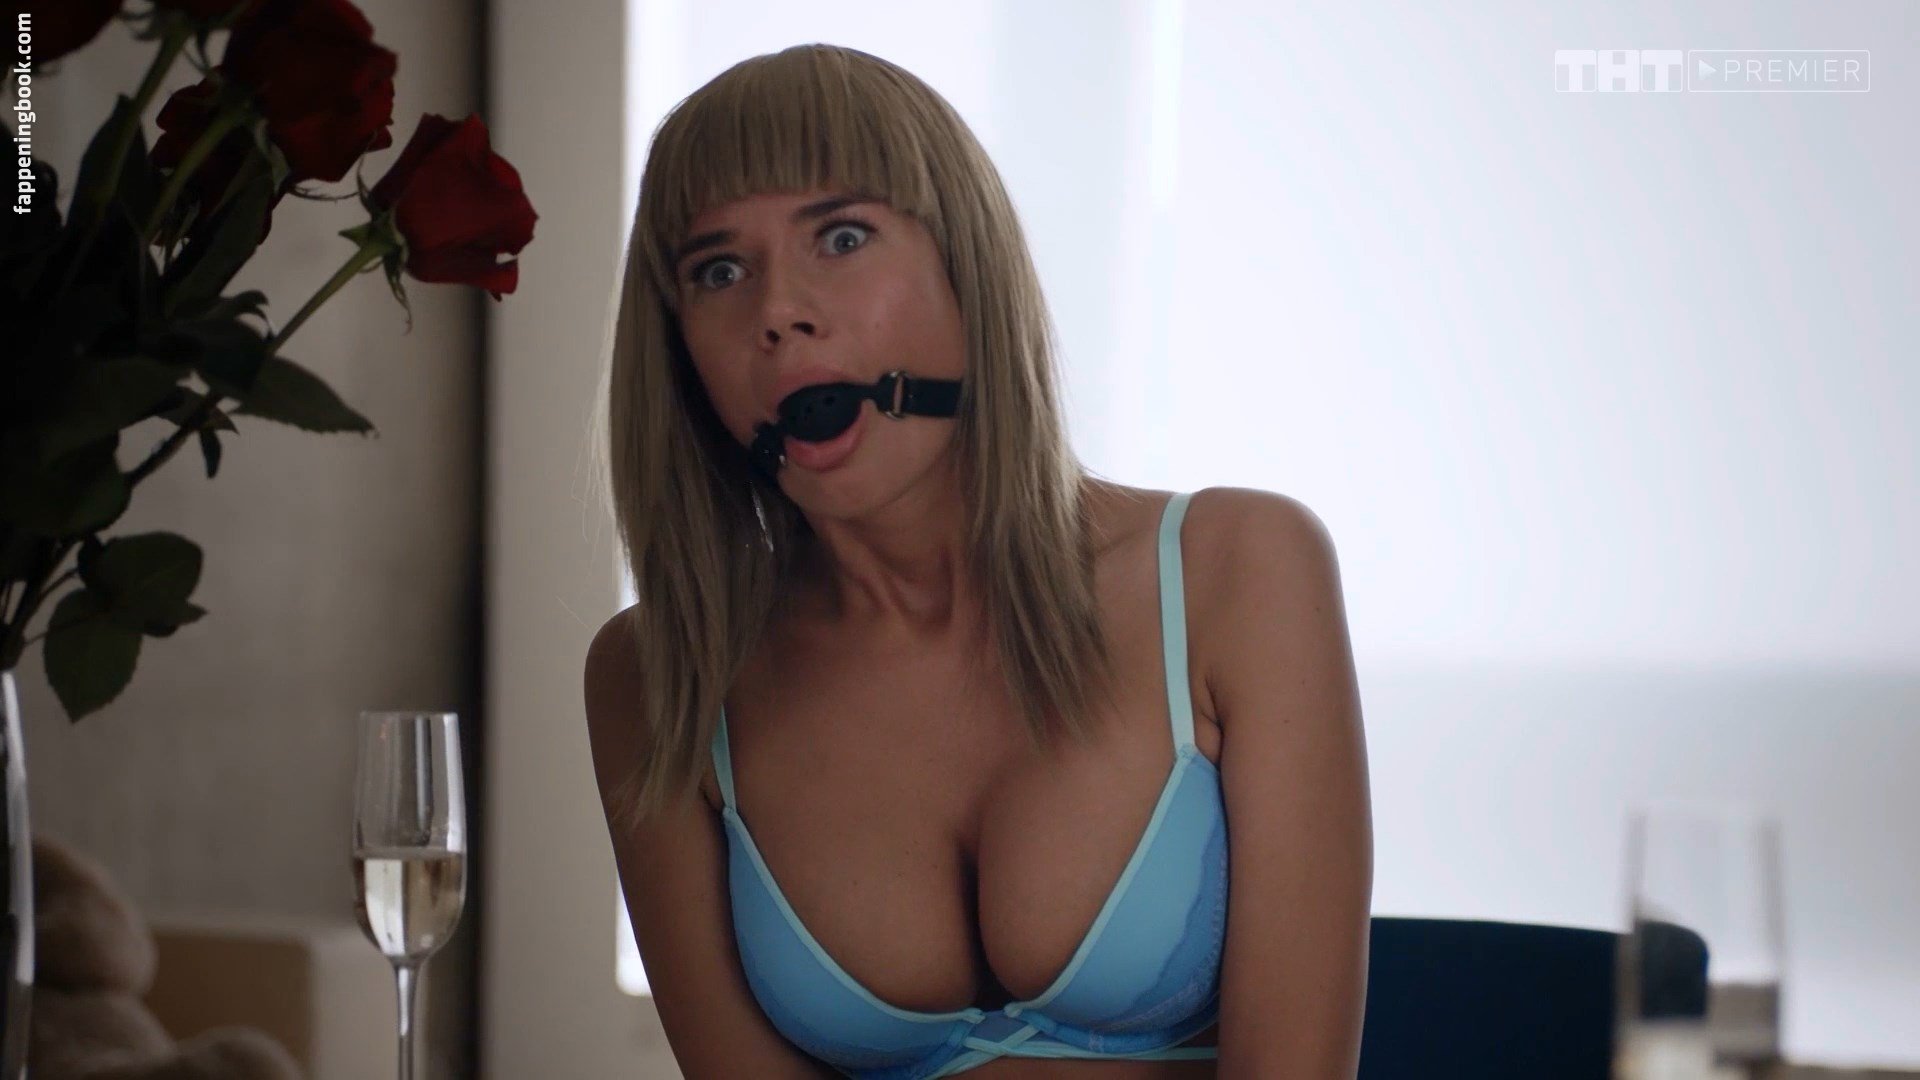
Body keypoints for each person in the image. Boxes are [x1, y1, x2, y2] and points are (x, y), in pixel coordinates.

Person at [584, 42, 1373, 1079]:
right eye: (718, 271)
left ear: (968, 265)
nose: (777, 310)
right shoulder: (661, 675)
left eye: (842, 236)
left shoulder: (1240, 572)